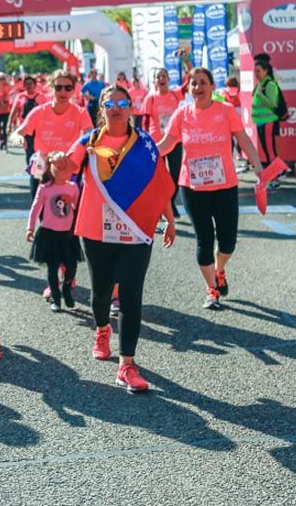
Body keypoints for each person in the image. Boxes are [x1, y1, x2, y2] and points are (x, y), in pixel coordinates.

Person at [56, 85, 176, 392]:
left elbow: (159, 185)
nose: (117, 108)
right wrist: (59, 163)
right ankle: (102, 330)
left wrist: (169, 219)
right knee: (101, 293)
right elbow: (67, 168)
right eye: (110, 104)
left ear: (131, 108)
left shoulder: (144, 144)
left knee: (131, 295)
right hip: (97, 231)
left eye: (123, 103)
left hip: (135, 230)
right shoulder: (89, 142)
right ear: (102, 110)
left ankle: (127, 364)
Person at [156, 68, 266, 310]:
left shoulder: (225, 111)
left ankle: (219, 268)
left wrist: (258, 166)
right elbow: (166, 144)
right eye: (193, 83)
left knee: (228, 243)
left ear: (212, 86)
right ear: (189, 89)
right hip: (192, 187)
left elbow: (243, 139)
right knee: (204, 240)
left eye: (203, 82)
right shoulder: (182, 114)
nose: (198, 87)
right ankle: (211, 289)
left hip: (225, 186)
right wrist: (142, 151)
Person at [18, 69, 93, 201]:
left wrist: (90, 144)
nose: (63, 92)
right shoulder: (39, 112)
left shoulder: (80, 113)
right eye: (58, 87)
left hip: (67, 167)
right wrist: (19, 138)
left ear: (73, 90)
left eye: (68, 88)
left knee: (68, 209)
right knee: (40, 207)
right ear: (50, 88)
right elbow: (18, 133)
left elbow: (90, 135)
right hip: (42, 167)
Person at [26, 151, 80, 313]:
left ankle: (67, 288)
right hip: (49, 234)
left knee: (71, 266)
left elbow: (78, 209)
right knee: (52, 268)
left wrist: (80, 227)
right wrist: (30, 228)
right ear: (51, 169)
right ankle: (56, 298)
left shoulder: (73, 187)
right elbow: (35, 208)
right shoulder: (45, 189)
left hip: (68, 235)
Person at [142, 68, 186, 215]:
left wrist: (187, 62)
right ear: (155, 81)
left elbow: (188, 82)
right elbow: (145, 121)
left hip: (174, 140)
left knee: (175, 174)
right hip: (156, 143)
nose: (161, 79)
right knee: (158, 176)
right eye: (158, 77)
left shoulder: (175, 94)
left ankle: (170, 203)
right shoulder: (151, 98)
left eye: (164, 76)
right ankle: (161, 205)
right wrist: (145, 140)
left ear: (168, 79)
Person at [250, 57, 284, 185]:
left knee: (270, 151)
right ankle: (273, 177)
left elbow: (272, 104)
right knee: (267, 151)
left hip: (268, 122)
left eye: (258, 71)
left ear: (265, 71)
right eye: (255, 71)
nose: (256, 73)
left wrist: (260, 95)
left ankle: (275, 178)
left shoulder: (269, 84)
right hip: (261, 122)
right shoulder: (260, 84)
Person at [0, 73, 13, 150]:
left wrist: (7, 81)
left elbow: (13, 88)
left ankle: (4, 142)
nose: (1, 81)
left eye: (2, 79)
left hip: (6, 110)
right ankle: (2, 138)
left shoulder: (7, 86)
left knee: (5, 127)